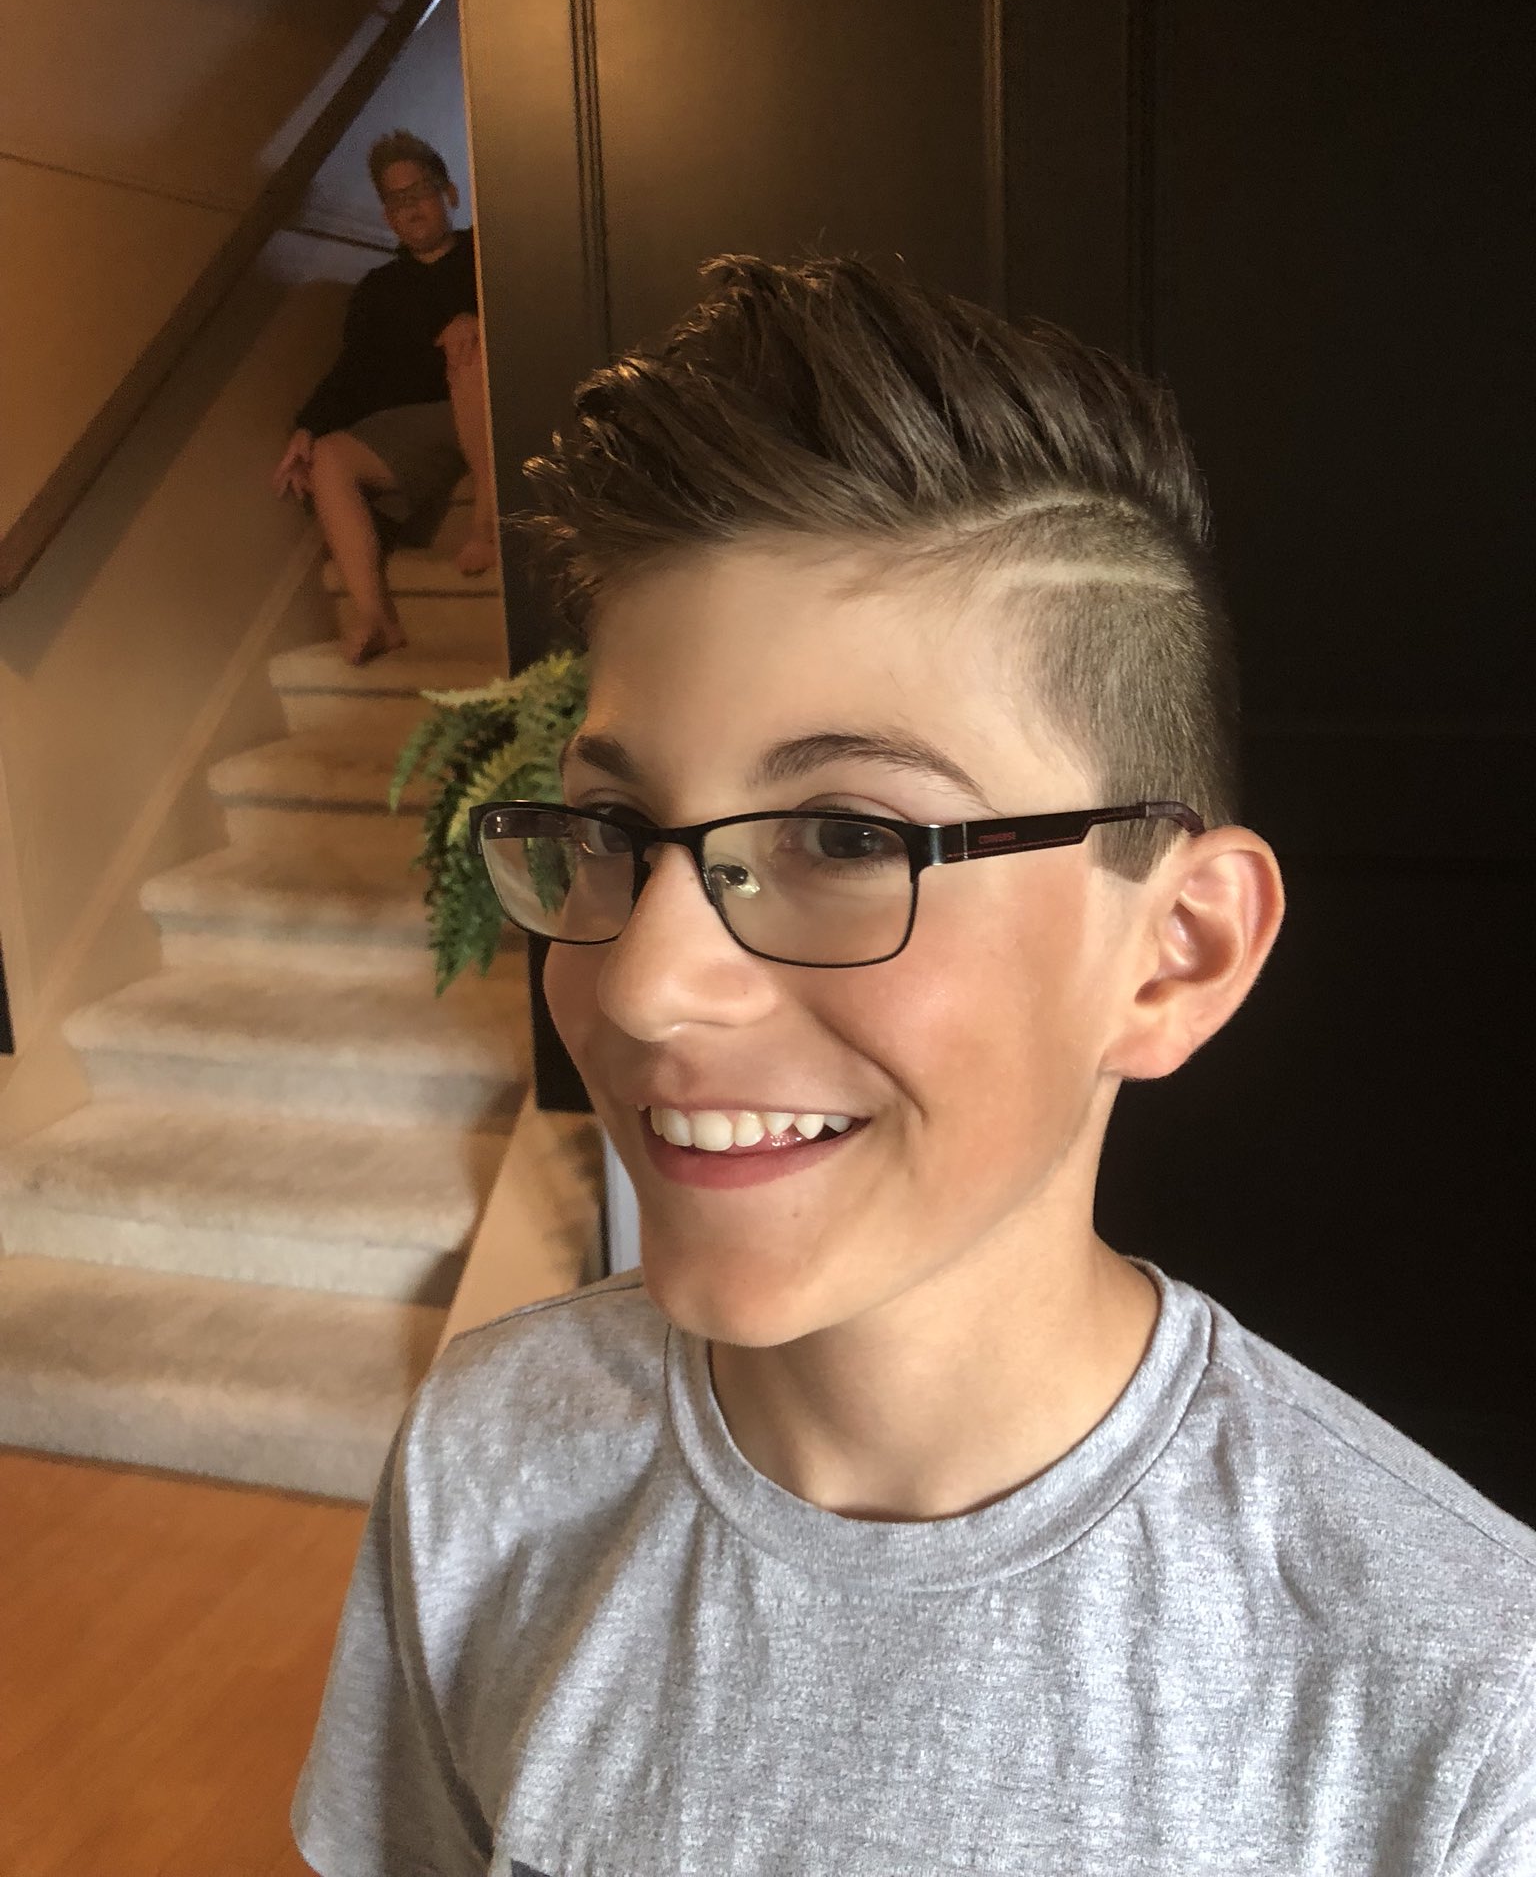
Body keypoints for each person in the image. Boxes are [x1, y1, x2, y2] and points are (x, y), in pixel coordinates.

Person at [291, 257, 1536, 1875]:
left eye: (848, 836)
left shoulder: (1462, 1714)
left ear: (1176, 952)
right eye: (611, 828)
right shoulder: (489, 1452)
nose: (647, 983)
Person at [272, 130, 497, 664]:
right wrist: (307, 427)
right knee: (328, 456)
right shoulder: (377, 289)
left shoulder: (488, 253)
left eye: (419, 192)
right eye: (396, 201)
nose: (410, 208)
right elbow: (353, 371)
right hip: (421, 427)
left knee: (467, 350)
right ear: (387, 216)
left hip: (487, 401)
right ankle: (377, 618)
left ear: (449, 194)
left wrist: (479, 321)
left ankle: (488, 524)